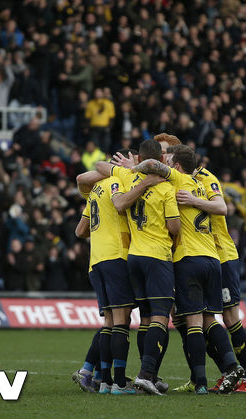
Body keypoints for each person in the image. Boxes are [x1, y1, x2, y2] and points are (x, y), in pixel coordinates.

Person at [131, 144, 245, 394]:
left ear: (178, 166)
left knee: (193, 323)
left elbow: (152, 165)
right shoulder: (201, 186)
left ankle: (202, 383)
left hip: (188, 258)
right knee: (210, 319)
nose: (167, 165)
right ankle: (231, 366)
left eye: (171, 161)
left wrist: (134, 167)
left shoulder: (178, 179)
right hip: (212, 258)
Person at [74, 149, 164, 395]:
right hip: (117, 256)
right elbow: (122, 204)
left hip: (96, 261)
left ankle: (103, 381)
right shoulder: (121, 183)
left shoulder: (95, 189)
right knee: (122, 322)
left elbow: (80, 230)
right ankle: (119, 384)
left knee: (109, 322)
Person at [95, 139, 180, 396]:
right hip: (158, 256)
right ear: (162, 160)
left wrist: (130, 169)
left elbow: (99, 166)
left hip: (134, 257)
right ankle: (146, 374)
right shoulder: (166, 187)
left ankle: (148, 376)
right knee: (160, 317)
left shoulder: (127, 176)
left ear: (139, 158)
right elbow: (174, 227)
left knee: (145, 318)